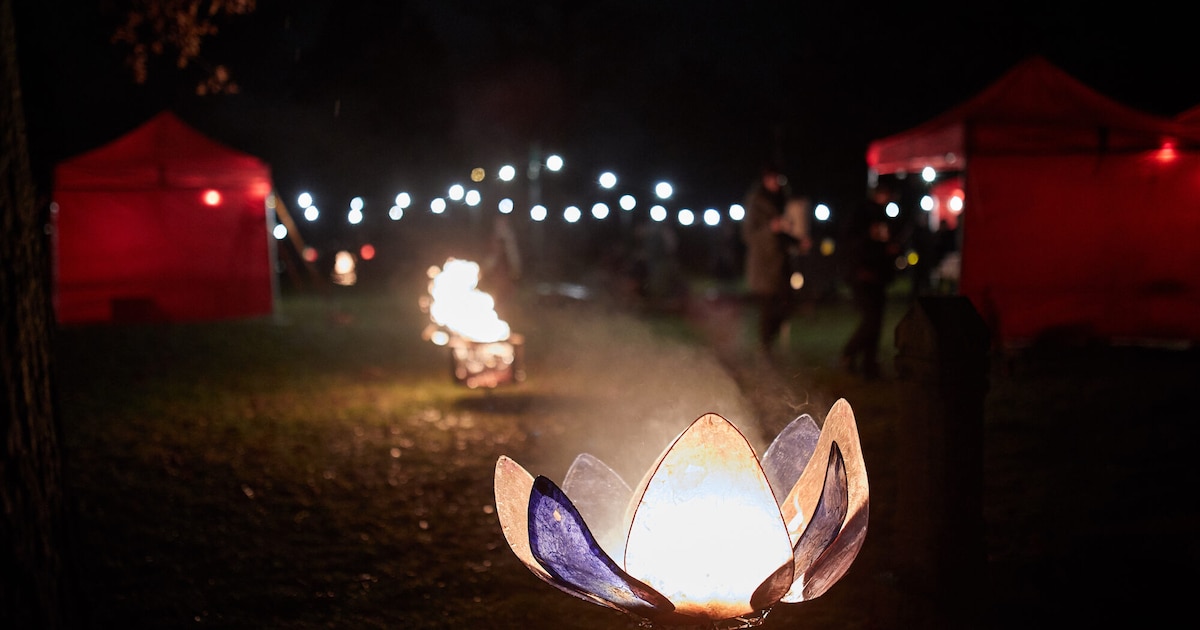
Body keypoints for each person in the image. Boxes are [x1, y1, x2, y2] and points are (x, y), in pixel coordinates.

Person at [840, 182, 900, 378]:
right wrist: (869, 236)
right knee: (871, 320)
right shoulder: (861, 212)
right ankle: (848, 353)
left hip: (879, 275)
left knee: (877, 321)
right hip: (863, 274)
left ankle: (869, 363)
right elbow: (851, 242)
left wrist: (890, 250)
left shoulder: (884, 215)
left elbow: (885, 243)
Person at [741, 165, 800, 355]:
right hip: (764, 266)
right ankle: (765, 348)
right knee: (768, 309)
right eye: (772, 179)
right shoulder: (756, 203)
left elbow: (782, 234)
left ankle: (768, 343)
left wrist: (797, 242)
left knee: (786, 305)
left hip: (782, 266)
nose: (775, 183)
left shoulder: (782, 201)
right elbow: (749, 235)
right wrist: (770, 228)